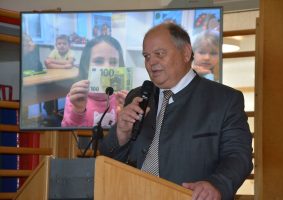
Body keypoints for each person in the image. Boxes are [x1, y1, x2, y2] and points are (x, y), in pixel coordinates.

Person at [99, 23, 253, 200]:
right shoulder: (138, 97)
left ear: (186, 53)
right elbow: (109, 158)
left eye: (159, 54)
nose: (151, 62)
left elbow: (238, 156)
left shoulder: (224, 100)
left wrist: (216, 185)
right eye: (147, 56)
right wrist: (121, 133)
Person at [62, 35, 127, 128]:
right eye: (99, 61)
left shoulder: (121, 98)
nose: (107, 67)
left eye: (113, 62)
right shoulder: (76, 97)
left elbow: (126, 134)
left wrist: (125, 113)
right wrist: (77, 110)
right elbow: (68, 136)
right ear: (86, 66)